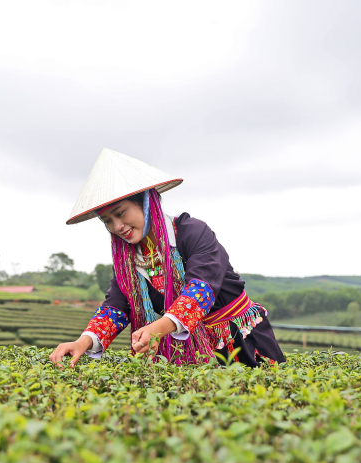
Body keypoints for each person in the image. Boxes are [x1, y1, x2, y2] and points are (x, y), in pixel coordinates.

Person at [49, 148, 285, 367]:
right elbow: (116, 307)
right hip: (190, 350)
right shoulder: (127, 261)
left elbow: (200, 290)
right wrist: (83, 341)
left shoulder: (193, 233)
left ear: (146, 203)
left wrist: (159, 328)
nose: (117, 226)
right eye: (107, 221)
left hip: (239, 340)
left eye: (120, 213)